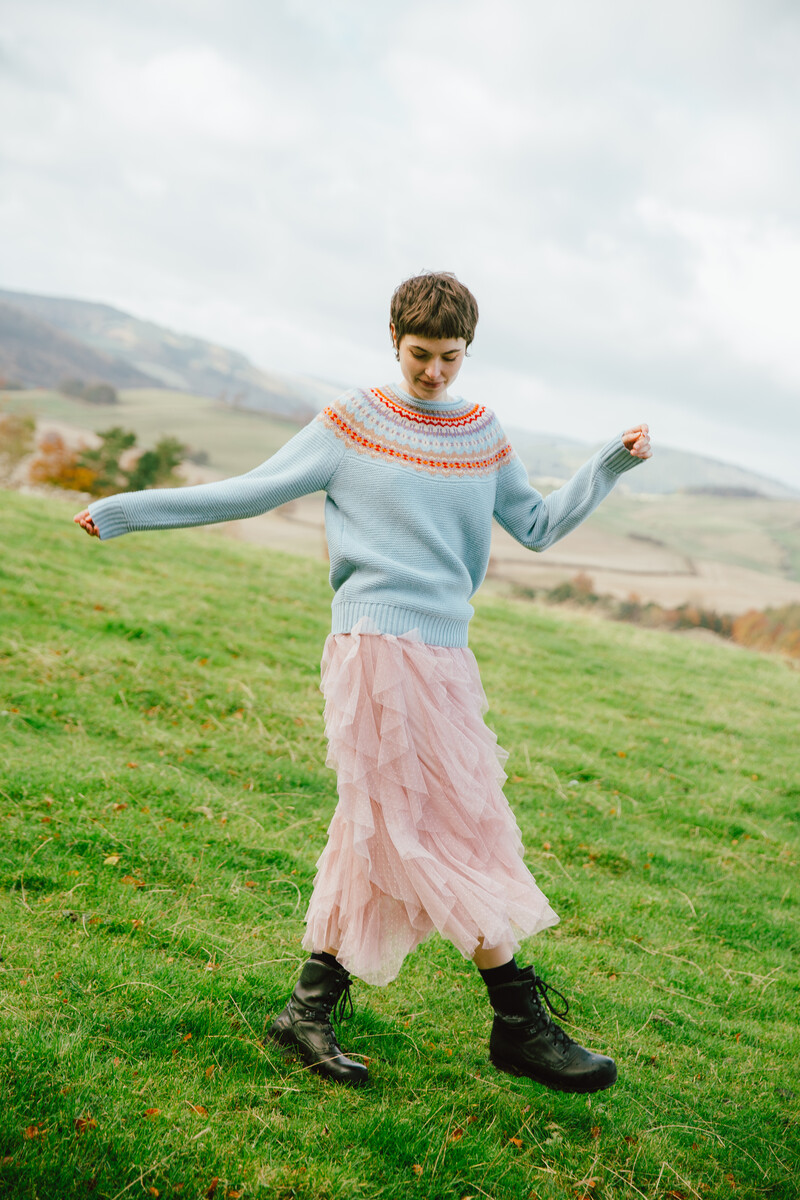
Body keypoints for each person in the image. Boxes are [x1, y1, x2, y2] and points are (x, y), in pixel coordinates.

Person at [75, 271, 651, 1093]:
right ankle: (519, 1019)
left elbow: (536, 527)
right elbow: (249, 491)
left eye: (450, 357)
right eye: (420, 355)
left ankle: (307, 1010)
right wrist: (129, 510)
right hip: (374, 646)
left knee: (378, 827)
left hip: (447, 656)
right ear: (394, 340)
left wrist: (608, 465)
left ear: (467, 352)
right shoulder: (352, 423)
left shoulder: (482, 433)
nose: (434, 373)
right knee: (433, 829)